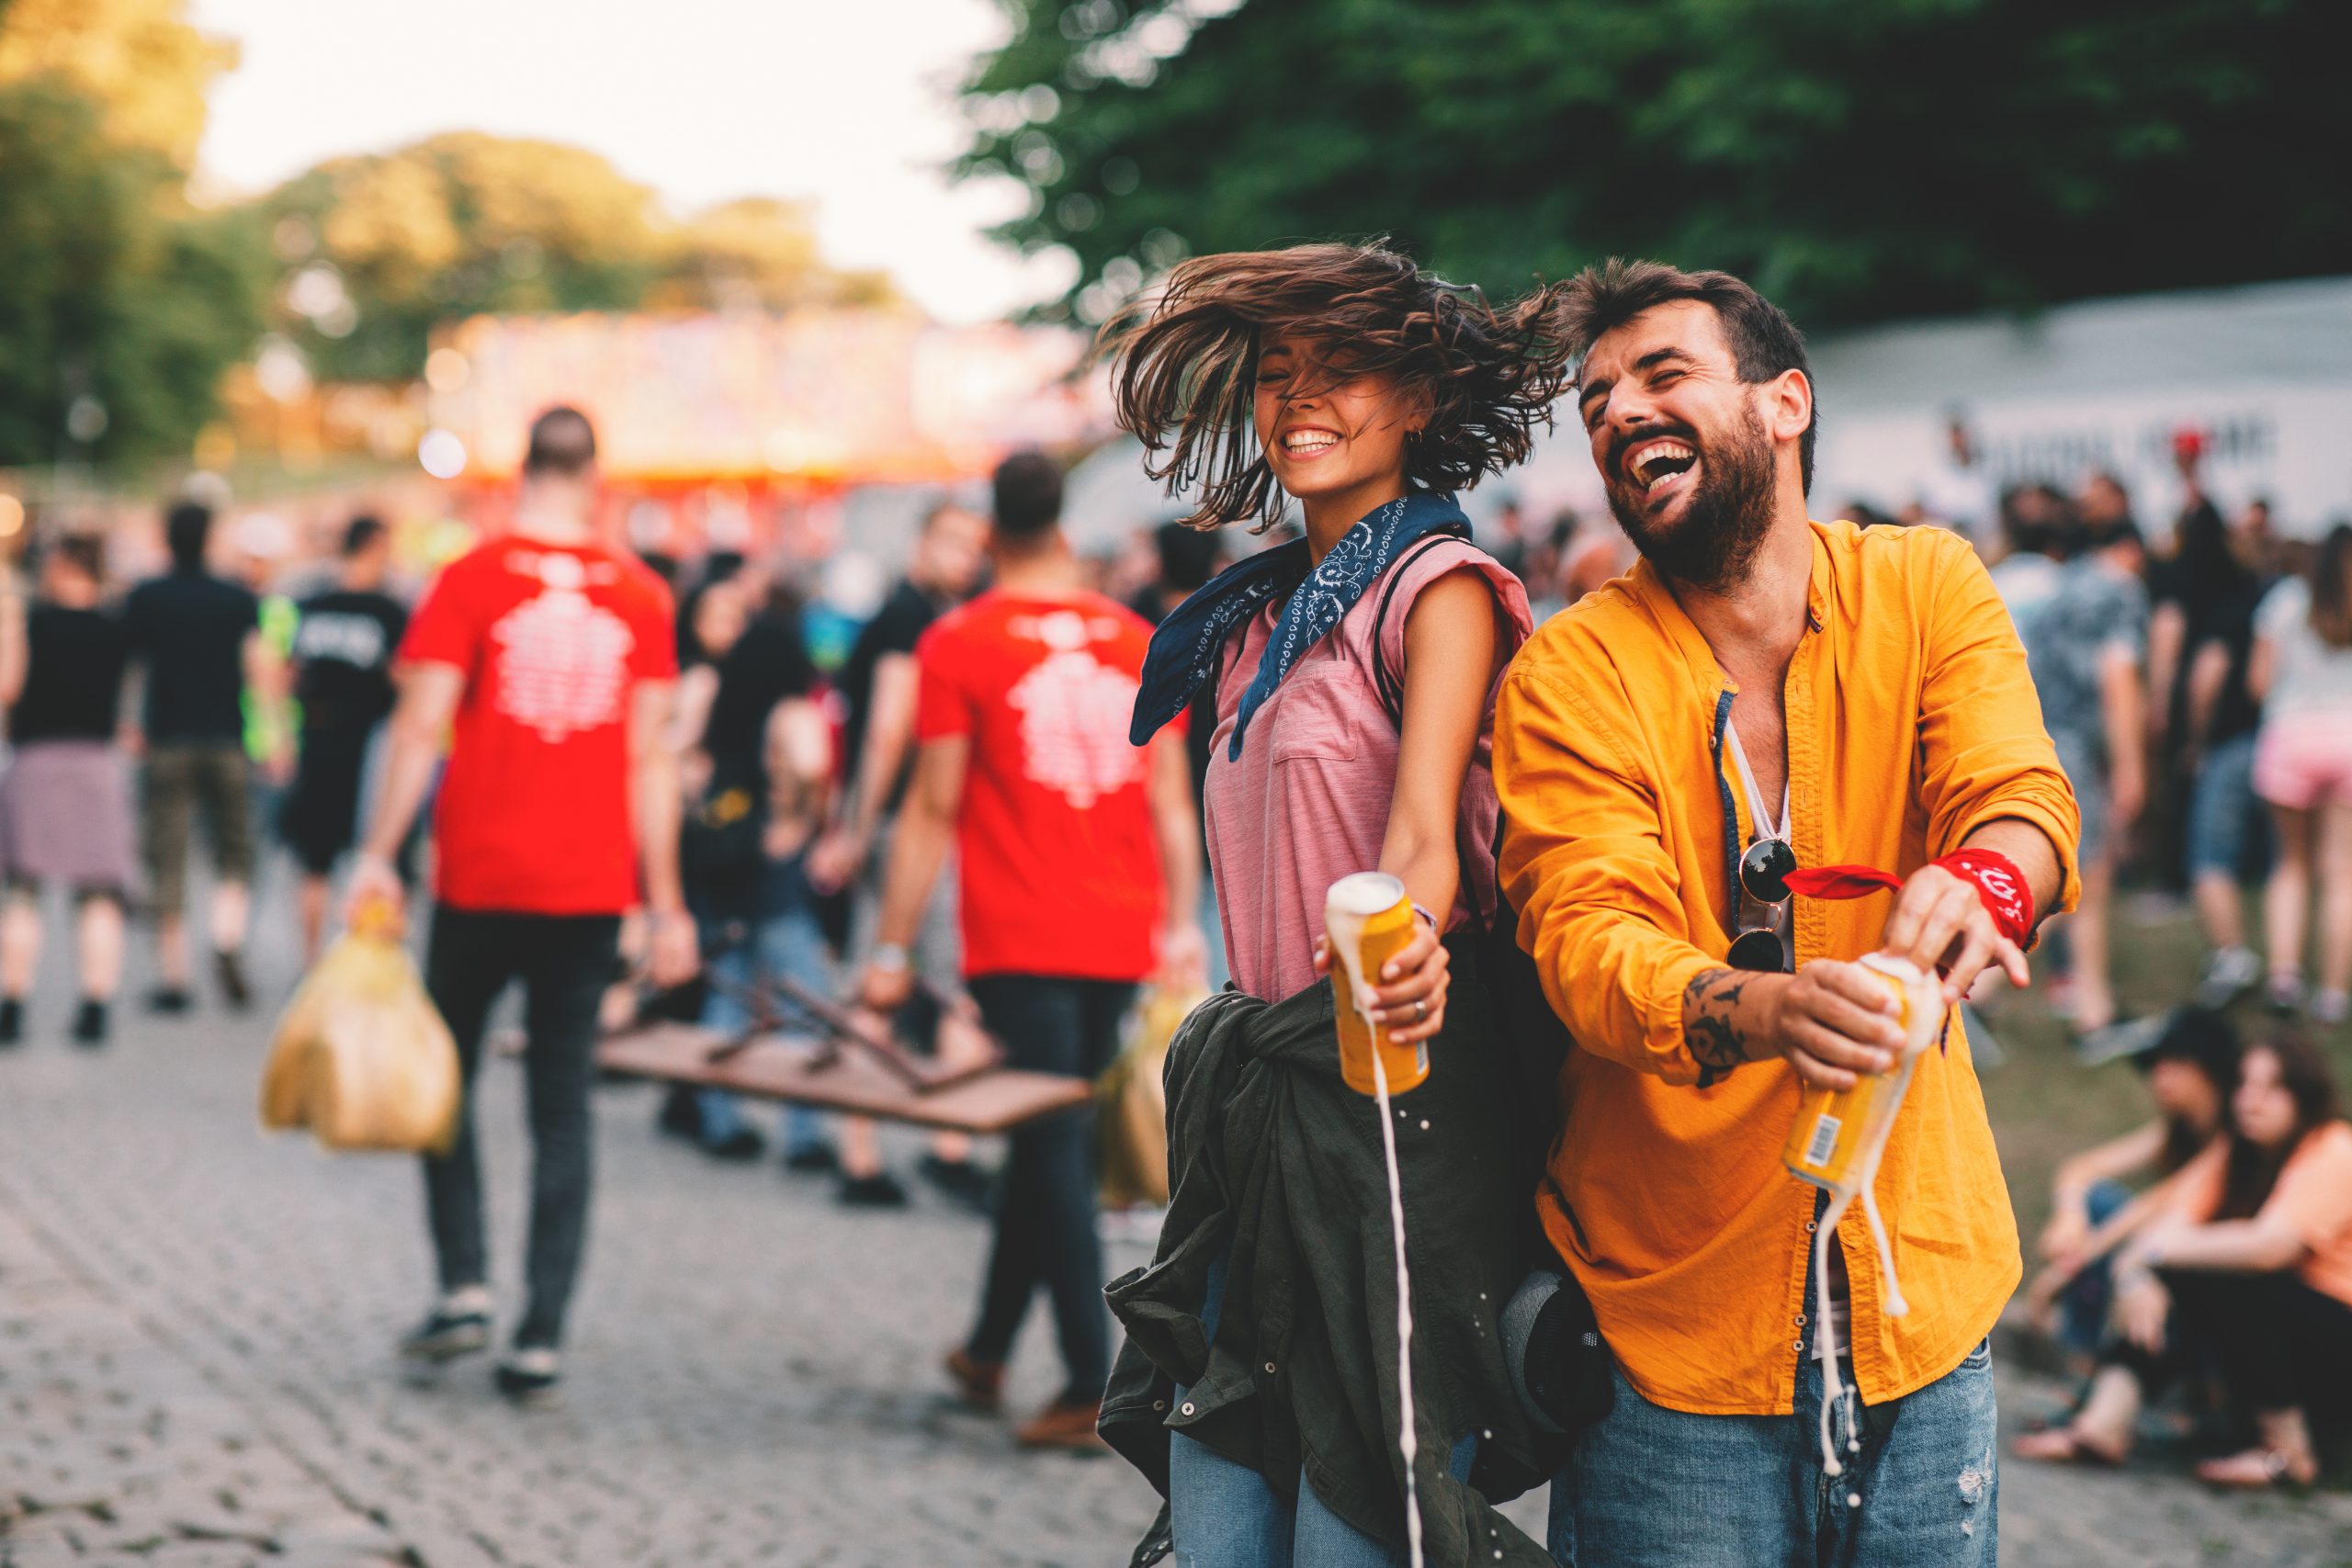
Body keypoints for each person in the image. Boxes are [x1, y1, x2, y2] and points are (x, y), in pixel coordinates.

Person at [1494, 260, 2077, 1567]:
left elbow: (2021, 794)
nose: (1619, 413)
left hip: (1920, 1297)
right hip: (1673, 1338)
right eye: (1595, 402)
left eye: (1663, 375)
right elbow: (1586, 937)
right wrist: (1770, 1007)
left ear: (1786, 403)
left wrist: (1981, 883)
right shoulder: (1571, 668)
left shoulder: (1925, 584)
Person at [1101, 241, 1567, 1566]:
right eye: (1277, 373)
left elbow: (1425, 836)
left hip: (1393, 1110)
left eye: (1342, 370)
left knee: (1356, 1521)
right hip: (1249, 1115)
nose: (1300, 398)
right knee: (1219, 1515)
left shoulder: (1441, 590)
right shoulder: (1248, 617)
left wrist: (1408, 939)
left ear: (1415, 400)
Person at [348, 406, 695, 1403]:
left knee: (442, 1079)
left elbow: (418, 729)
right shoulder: (640, 594)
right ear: (596, 475)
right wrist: (664, 903)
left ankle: (463, 1283)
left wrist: (377, 854)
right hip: (588, 890)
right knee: (562, 1111)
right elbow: (649, 762)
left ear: (518, 472)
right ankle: (539, 1331)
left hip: (478, 879)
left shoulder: (470, 577)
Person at [855, 449, 1202, 1450]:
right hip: (1122, 921)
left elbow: (930, 808)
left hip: (1019, 931)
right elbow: (1170, 798)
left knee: (1050, 1145)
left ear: (990, 528)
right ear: (1061, 524)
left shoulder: (959, 641)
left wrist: (887, 950)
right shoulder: (1135, 637)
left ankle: (1089, 1384)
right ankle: (987, 1349)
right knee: (1050, 1138)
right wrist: (1178, 922)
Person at [2016, 1032, 2352, 1489]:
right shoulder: (2238, 1154)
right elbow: (2163, 1228)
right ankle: (2102, 1427)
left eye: (2272, 1088)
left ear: (2304, 1096)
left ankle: (2290, 1454)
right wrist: (2139, 1276)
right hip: (2283, 1330)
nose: (2251, 1101)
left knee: (2220, 1274)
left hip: (2336, 1328)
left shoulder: (2334, 1148)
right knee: (2173, 1281)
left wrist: (2154, 1257)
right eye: (2246, 1086)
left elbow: (2271, 1247)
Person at [808, 499, 994, 1205]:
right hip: (905, 828)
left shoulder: (928, 615)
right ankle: (896, 1152)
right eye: (951, 541)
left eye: (973, 544)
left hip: (914, 825)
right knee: (901, 984)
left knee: (910, 982)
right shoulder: (908, 618)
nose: (964, 556)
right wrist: (856, 830)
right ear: (921, 541)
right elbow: (888, 730)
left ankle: (908, 1148)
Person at [680, 587, 882, 1191]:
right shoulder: (793, 712)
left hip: (725, 864)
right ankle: (804, 1130)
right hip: (777, 869)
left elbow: (690, 770)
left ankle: (718, 1116)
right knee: (806, 999)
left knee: (731, 990)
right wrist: (802, 820)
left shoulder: (724, 699)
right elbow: (814, 767)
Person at [1988, 486, 2147, 1035]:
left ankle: (2091, 1005)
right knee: (2084, 882)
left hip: (2042, 739)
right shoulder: (2118, 593)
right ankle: (1979, 993)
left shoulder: (2063, 589)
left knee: (2073, 878)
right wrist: (2131, 765)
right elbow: (2118, 678)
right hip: (2080, 748)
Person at [121, 500, 288, 1013]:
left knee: (165, 853)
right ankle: (226, 937)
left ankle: (174, 975)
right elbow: (261, 669)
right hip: (227, 740)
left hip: (167, 740)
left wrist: (130, 725)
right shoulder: (237, 597)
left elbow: (133, 668)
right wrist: (277, 737)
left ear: (165, 536)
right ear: (211, 537)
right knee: (236, 850)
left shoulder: (147, 597)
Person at [2024, 1007, 2241, 1355]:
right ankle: (2083, 1351)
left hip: (2214, 1265)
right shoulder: (2177, 1131)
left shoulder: (2235, 1137)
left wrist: (2066, 1269)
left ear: (2210, 1070)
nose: (2160, 1077)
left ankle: (2089, 1354)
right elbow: (2082, 1168)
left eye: (2175, 1064)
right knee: (2093, 1201)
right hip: (2162, 1246)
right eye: (2156, 1066)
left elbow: (2157, 1205)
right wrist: (2069, 1215)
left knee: (2114, 1227)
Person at [0, 536, 137, 1046]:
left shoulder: (31, 621)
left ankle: (12, 1005)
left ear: (59, 566)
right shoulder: (118, 626)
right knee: (99, 893)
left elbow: (7, 687)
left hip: (35, 760)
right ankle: (95, 1005)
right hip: (96, 764)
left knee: (23, 891)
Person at [279, 515, 408, 964]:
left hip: (316, 742)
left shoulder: (312, 603)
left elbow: (287, 673)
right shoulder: (388, 611)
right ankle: (359, 965)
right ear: (373, 545)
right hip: (369, 749)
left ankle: (312, 962)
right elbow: (405, 681)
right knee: (371, 859)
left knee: (314, 865)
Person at [2167, 502, 2272, 1008]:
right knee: (2288, 865)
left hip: (2230, 743)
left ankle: (2232, 956)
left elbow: (2206, 678)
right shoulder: (2267, 596)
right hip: (2276, 741)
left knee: (2210, 855)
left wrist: (2193, 740)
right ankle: (2286, 968)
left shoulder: (2215, 605)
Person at [2247, 523, 2352, 1024]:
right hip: (2348, 738)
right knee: (2343, 875)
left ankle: (2285, 977)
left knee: (2290, 863)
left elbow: (2258, 681)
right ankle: (2333, 993)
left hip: (2291, 735)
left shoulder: (2286, 599)